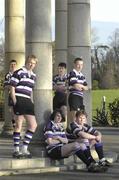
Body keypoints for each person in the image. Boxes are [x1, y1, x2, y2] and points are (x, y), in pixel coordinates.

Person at [10, 55, 38, 159]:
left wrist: (32, 102)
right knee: (18, 125)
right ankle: (16, 149)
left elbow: (31, 91)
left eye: (34, 63)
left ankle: (24, 148)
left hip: (28, 101)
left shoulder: (34, 76)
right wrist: (15, 102)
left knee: (33, 125)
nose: (31, 64)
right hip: (19, 99)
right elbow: (12, 89)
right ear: (26, 62)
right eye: (30, 62)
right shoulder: (18, 72)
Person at [68, 57, 88, 121]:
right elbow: (75, 85)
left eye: (81, 65)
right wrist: (80, 86)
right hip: (74, 96)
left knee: (80, 115)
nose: (80, 66)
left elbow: (86, 87)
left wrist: (80, 86)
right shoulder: (72, 73)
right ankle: (73, 129)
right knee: (74, 114)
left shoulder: (82, 75)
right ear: (74, 65)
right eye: (78, 64)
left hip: (80, 97)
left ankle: (79, 129)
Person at [4, 59, 17, 128]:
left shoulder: (18, 73)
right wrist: (12, 86)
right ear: (9, 65)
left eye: (14, 64)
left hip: (19, 94)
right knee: (12, 111)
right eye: (11, 65)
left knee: (19, 111)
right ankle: (15, 125)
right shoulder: (8, 75)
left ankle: (18, 126)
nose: (13, 66)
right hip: (11, 94)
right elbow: (6, 86)